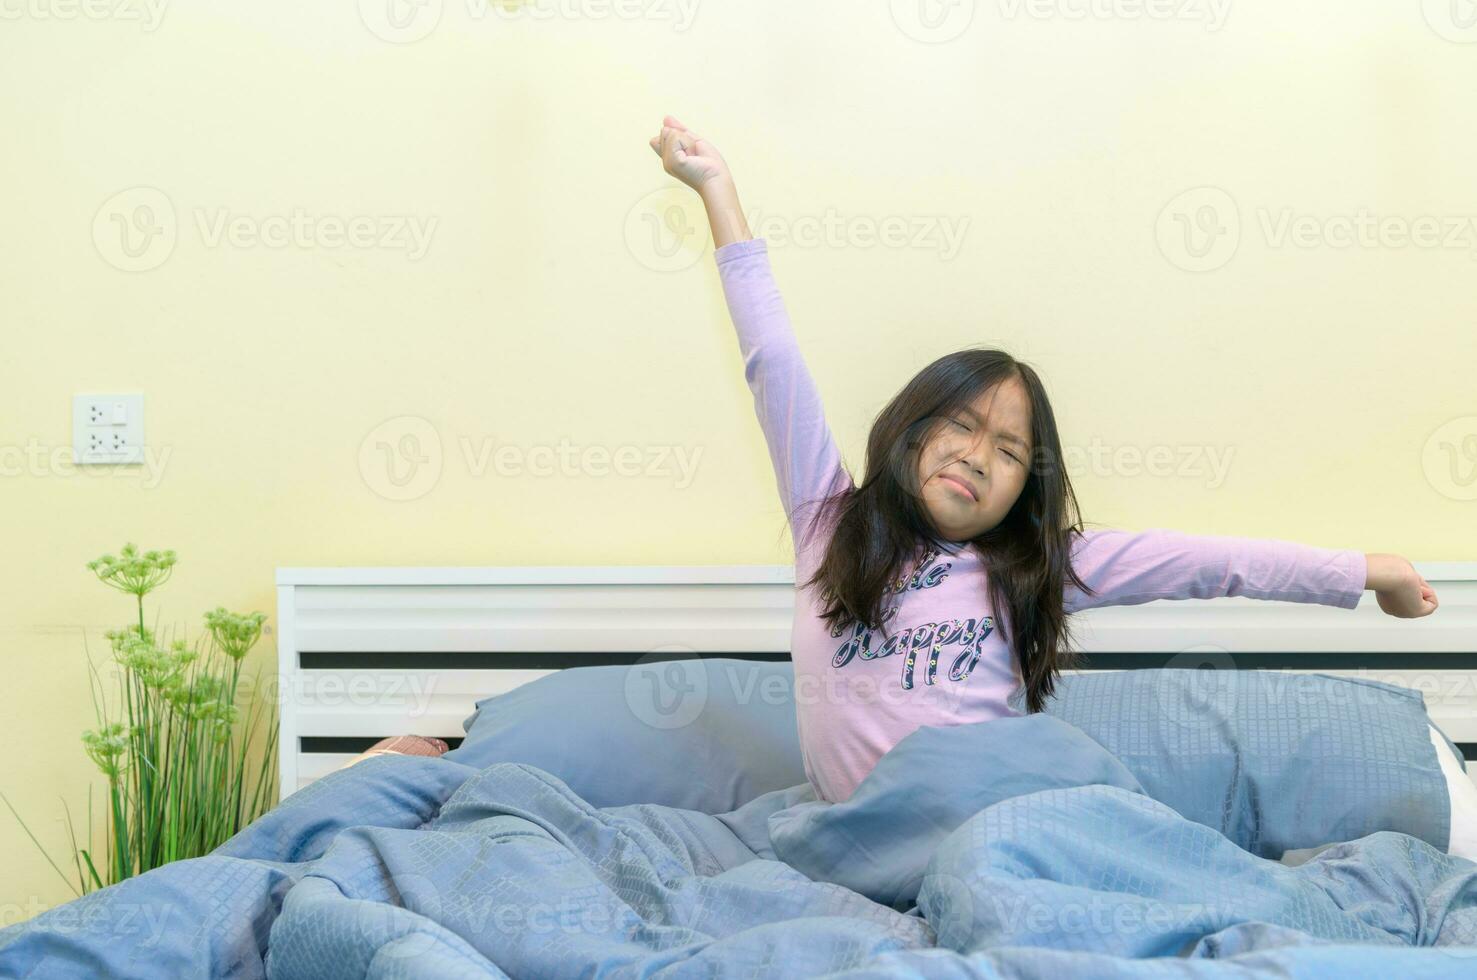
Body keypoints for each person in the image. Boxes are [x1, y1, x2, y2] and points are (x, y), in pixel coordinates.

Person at [647, 115, 1439, 806]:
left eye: (1009, 450)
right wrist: (716, 190)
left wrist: (1373, 572)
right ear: (910, 431)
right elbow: (771, 361)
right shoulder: (828, 521)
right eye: (958, 425)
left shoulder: (1035, 563)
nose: (976, 457)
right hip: (861, 840)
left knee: (1061, 816)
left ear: (1028, 485)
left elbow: (1209, 562)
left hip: (1000, 815)